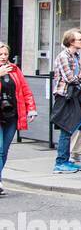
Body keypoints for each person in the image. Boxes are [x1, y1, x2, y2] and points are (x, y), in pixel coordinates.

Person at [51, 29, 81, 174]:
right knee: (66, 129)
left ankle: (72, 155)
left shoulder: (76, 55)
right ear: (71, 42)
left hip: (76, 94)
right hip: (65, 96)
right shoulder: (64, 56)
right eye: (80, 39)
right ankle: (61, 162)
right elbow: (71, 78)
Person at [0, 42, 38, 195]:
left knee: (4, 151)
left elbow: (25, 90)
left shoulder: (15, 70)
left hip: (11, 115)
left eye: (5, 54)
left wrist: (31, 109)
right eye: (0, 54)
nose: (3, 57)